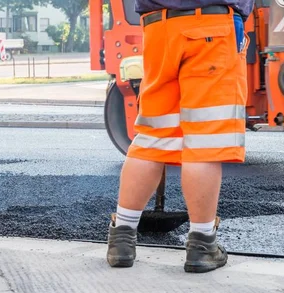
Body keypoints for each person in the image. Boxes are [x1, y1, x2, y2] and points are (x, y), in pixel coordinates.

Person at [106, 1, 253, 273]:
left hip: (159, 29)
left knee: (152, 137)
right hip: (211, 28)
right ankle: (202, 244)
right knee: (205, 139)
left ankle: (122, 239)